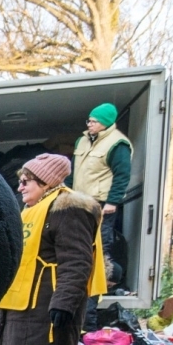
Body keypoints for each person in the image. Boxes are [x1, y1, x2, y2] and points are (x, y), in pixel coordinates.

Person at [0, 153, 105, 345]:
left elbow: (77, 261)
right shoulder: (42, 208)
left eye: (25, 181)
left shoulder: (68, 210)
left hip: (50, 303)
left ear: (46, 182)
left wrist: (65, 303)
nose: (20, 187)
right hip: (37, 302)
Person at [69, 103, 132, 280]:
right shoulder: (82, 140)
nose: (89, 124)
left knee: (100, 245)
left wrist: (112, 202)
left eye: (94, 121)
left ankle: (97, 284)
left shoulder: (118, 144)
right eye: (89, 120)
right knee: (78, 242)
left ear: (106, 122)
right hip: (79, 201)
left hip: (101, 203)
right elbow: (74, 171)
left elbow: (122, 175)